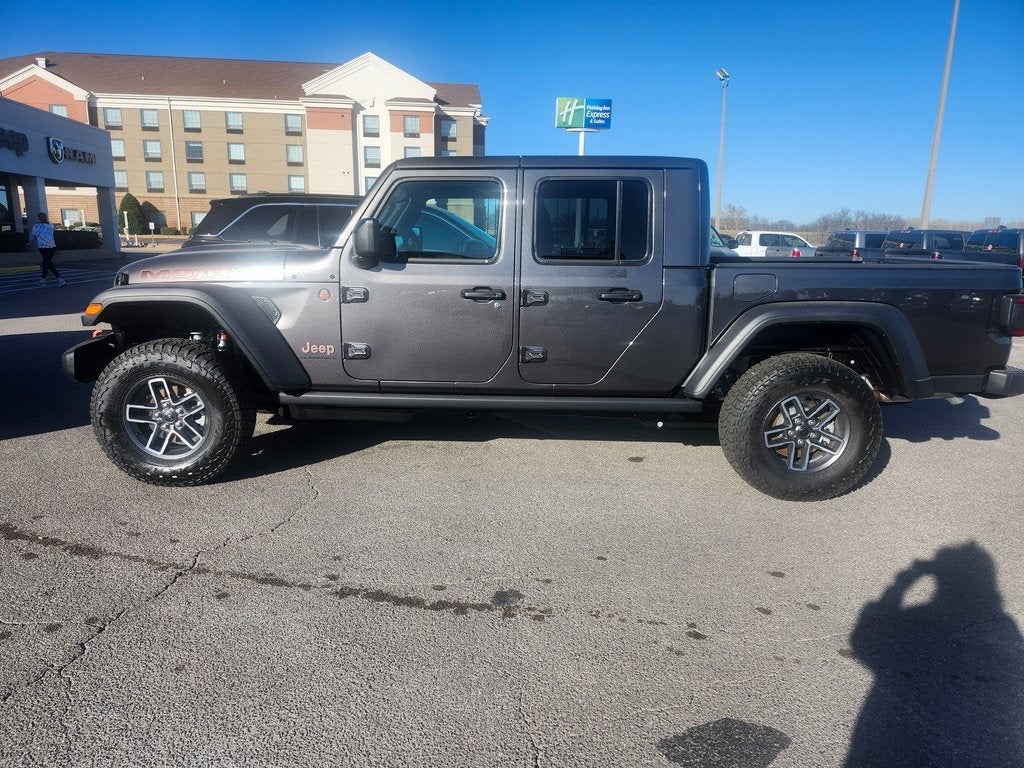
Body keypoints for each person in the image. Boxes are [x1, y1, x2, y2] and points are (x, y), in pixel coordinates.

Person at [28, 212, 64, 287]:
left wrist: (29, 243)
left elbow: (33, 236)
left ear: (38, 218)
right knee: (46, 263)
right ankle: (43, 280)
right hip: (52, 246)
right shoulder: (50, 225)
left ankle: (60, 279)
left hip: (43, 247)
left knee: (48, 263)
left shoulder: (37, 226)